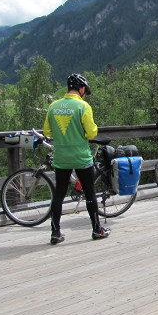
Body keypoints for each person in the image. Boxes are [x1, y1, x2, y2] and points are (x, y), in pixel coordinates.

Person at [43, 73, 110, 244]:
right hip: (81, 157)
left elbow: (47, 132)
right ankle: (97, 229)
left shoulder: (53, 106)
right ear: (81, 89)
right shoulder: (83, 106)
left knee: (59, 194)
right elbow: (91, 133)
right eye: (85, 91)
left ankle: (55, 232)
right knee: (89, 193)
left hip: (61, 157)